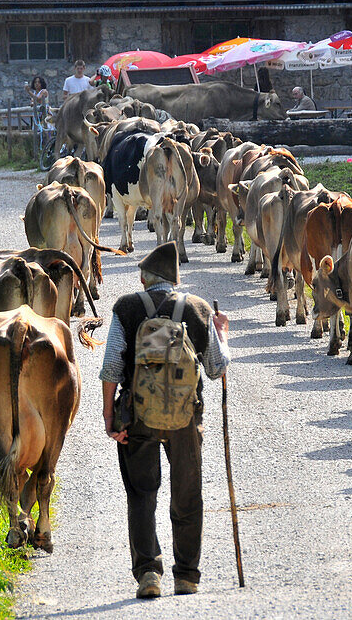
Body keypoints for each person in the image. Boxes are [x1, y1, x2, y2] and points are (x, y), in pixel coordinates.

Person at [100, 242, 231, 600]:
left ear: (143, 278)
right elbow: (217, 369)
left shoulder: (127, 307)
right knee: (187, 494)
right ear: (174, 279)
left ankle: (148, 575)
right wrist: (222, 333)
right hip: (186, 419)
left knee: (142, 494)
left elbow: (111, 365)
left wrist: (110, 417)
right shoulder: (197, 308)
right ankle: (186, 576)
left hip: (138, 416)